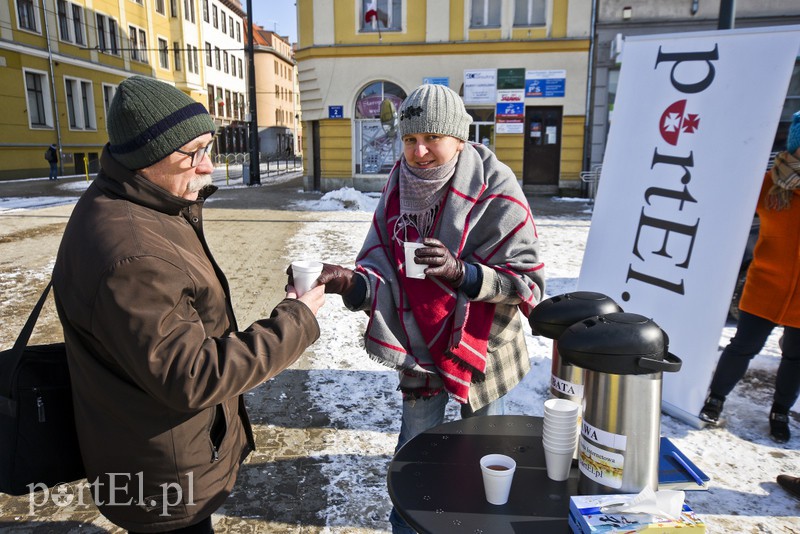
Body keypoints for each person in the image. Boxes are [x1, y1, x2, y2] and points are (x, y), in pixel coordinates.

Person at [52, 76, 325, 534]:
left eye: (209, 148)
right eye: (193, 153)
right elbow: (192, 376)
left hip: (153, 446)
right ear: (145, 158)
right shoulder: (134, 253)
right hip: (162, 472)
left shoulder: (139, 205)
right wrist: (297, 319)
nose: (208, 167)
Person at [309, 84, 544, 533]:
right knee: (415, 451)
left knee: (486, 454)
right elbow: (380, 266)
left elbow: (526, 278)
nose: (418, 152)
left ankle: (481, 525)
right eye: (410, 139)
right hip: (418, 342)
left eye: (431, 138)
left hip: (484, 347)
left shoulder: (497, 185)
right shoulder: (397, 185)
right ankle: (411, 526)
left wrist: (464, 274)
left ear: (459, 138)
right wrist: (351, 283)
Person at [699, 110, 800, 444]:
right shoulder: (770, 184)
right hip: (765, 285)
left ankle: (780, 411)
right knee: (743, 346)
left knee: (796, 356)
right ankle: (715, 398)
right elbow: (729, 210)